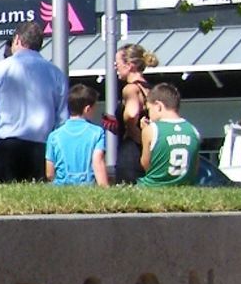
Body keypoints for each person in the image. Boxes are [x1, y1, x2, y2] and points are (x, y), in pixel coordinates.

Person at [0, 20, 68, 183]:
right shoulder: (56, 74)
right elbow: (62, 119)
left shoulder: (0, 69)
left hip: (8, 148)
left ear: (17, 39)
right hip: (42, 148)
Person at [45, 83, 111, 187]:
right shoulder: (97, 132)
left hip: (60, 188)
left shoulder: (54, 135)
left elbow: (49, 173)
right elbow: (98, 161)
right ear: (87, 109)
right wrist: (105, 188)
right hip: (87, 187)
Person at [108, 42, 156, 184]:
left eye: (117, 63)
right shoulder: (150, 89)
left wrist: (131, 129)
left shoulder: (130, 89)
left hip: (130, 153)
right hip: (148, 152)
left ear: (129, 66)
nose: (115, 66)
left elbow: (131, 113)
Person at [137, 82, 202, 187]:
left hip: (153, 185)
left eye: (149, 109)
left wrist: (145, 130)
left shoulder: (151, 130)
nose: (148, 114)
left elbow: (146, 164)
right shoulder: (193, 130)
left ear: (158, 106)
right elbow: (195, 167)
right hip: (184, 186)